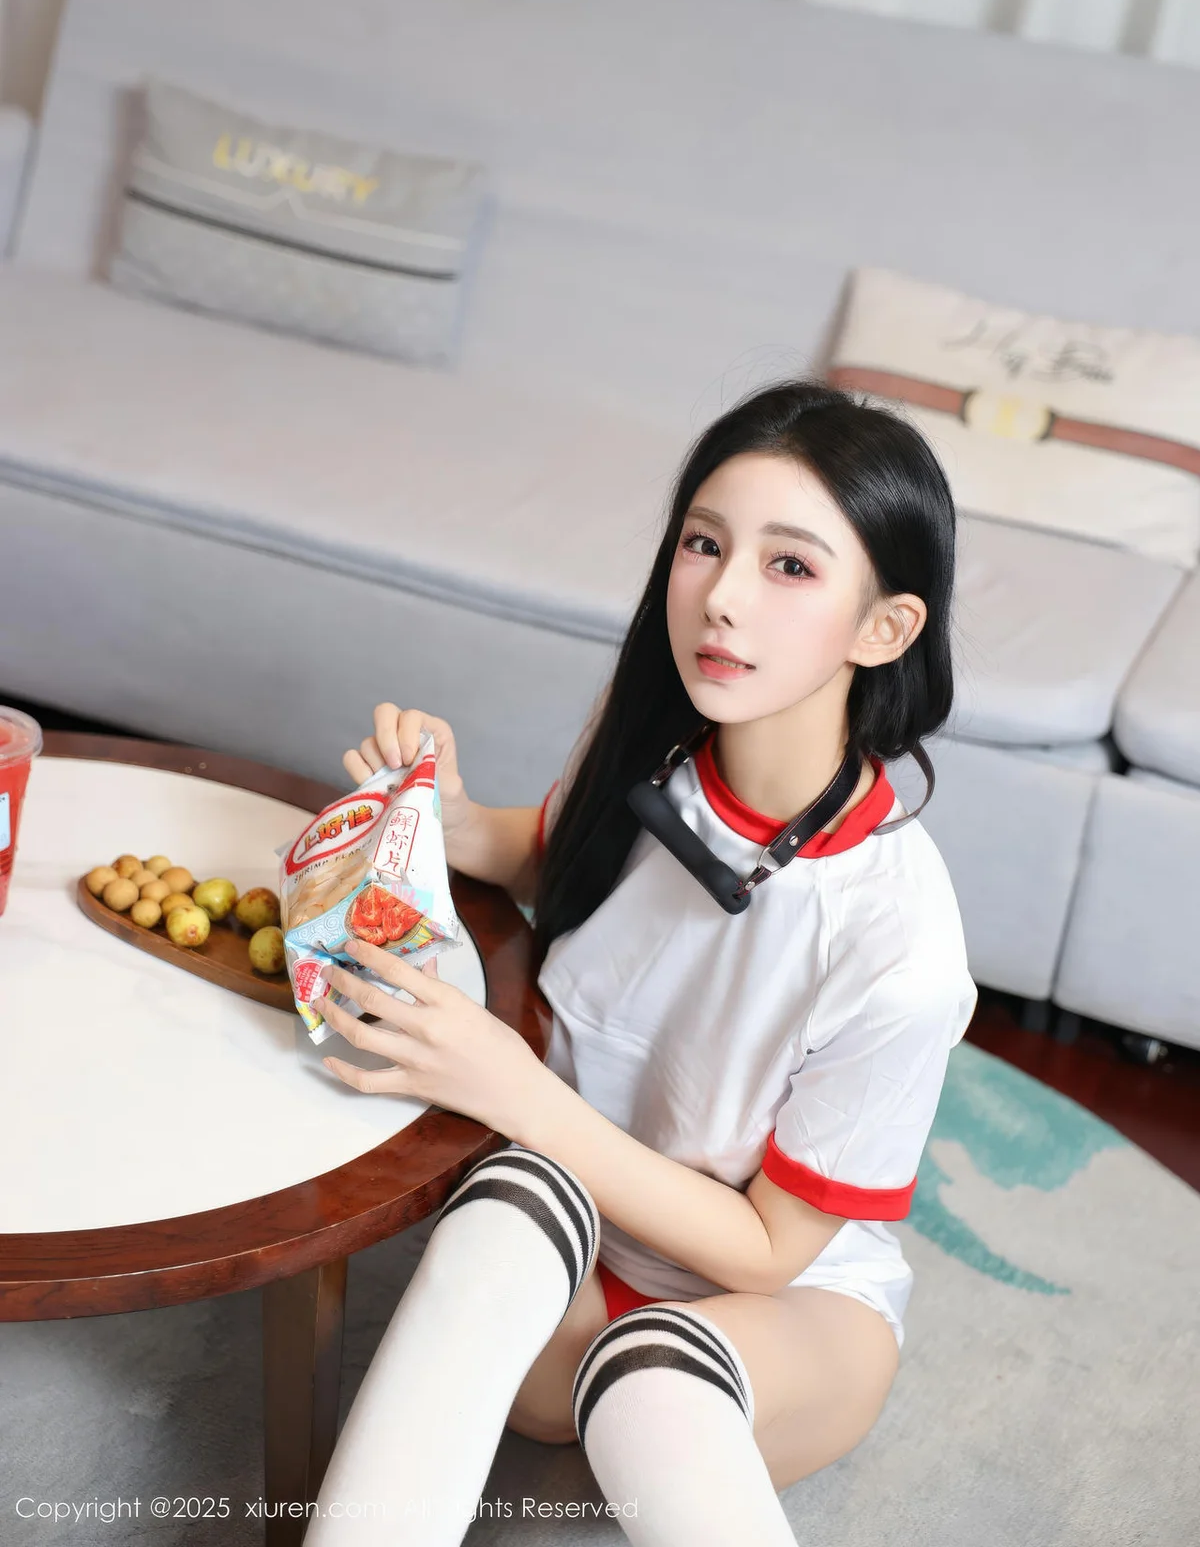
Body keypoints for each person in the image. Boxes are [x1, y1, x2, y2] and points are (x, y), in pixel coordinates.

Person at [302, 377, 978, 1546]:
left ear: (884, 628)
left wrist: (512, 1091)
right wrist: (448, 815)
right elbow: (558, 855)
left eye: (790, 565)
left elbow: (768, 1251)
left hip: (782, 1309)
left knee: (653, 1389)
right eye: (705, 544)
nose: (722, 597)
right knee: (502, 1217)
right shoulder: (654, 742)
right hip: (569, 1248)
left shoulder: (901, 945)